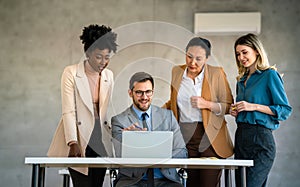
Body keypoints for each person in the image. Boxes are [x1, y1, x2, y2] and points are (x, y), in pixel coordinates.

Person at [47, 24, 118, 187]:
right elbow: (68, 111)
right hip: (79, 137)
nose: (103, 62)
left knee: (97, 184)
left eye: (107, 57)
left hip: (100, 138)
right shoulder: (70, 72)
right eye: (99, 56)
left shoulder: (109, 75)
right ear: (88, 53)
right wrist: (72, 142)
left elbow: (106, 111)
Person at [164, 37, 234, 187]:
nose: (192, 62)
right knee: (190, 183)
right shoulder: (177, 72)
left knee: (208, 183)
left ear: (207, 58)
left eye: (198, 58)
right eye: (189, 56)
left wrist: (207, 104)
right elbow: (172, 103)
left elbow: (229, 106)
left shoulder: (217, 74)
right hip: (185, 137)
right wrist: (151, 112)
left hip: (210, 137)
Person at [230, 33, 292, 187]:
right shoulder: (241, 80)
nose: (241, 57)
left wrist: (253, 106)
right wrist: (236, 111)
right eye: (238, 54)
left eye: (245, 52)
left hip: (261, 139)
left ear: (256, 51)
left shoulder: (269, 75)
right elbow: (244, 108)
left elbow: (284, 110)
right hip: (241, 137)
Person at [111, 72, 187, 187]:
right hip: (133, 181)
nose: (144, 97)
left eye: (148, 92)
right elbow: (119, 155)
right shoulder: (119, 120)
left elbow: (182, 152)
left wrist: (159, 157)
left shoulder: (168, 116)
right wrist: (127, 139)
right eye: (139, 92)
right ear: (130, 93)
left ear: (153, 92)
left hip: (166, 180)